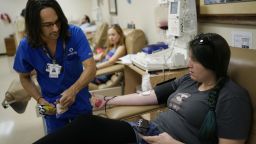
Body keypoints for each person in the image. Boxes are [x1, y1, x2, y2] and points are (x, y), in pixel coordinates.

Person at [34, 33, 252, 144]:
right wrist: (109, 101)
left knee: (86, 128)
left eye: (196, 61)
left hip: (163, 140)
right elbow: (151, 96)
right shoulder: (189, 80)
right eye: (190, 58)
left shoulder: (232, 98)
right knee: (86, 127)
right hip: (146, 129)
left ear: (214, 64)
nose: (189, 64)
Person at [13, 0, 96, 134]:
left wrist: (73, 90)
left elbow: (91, 68)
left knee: (85, 137)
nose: (56, 28)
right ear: (35, 25)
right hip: (50, 105)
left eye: (57, 22)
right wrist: (40, 100)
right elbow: (24, 78)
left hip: (79, 99)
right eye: (48, 25)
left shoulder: (74, 33)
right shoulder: (26, 46)